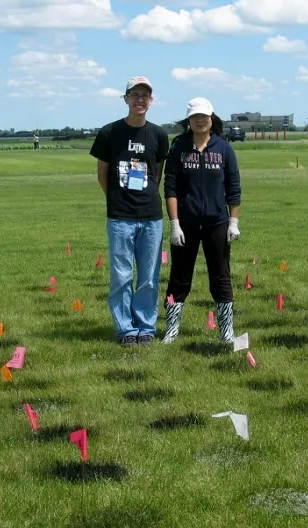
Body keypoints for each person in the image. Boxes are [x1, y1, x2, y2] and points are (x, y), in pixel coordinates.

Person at [90, 77, 169, 347]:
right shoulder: (109, 133)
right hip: (120, 217)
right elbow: (102, 173)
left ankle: (146, 327)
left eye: (145, 95)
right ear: (125, 99)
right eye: (134, 94)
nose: (140, 100)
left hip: (151, 218)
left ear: (151, 101)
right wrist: (116, 198)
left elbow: (156, 172)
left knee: (148, 277)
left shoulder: (158, 135)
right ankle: (125, 329)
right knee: (122, 276)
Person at [162, 97, 241, 344]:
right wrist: (174, 224)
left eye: (203, 116)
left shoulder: (224, 148)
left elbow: (233, 187)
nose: (199, 120)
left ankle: (226, 330)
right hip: (185, 224)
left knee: (220, 276)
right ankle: (172, 329)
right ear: (188, 120)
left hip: (217, 223)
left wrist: (233, 221)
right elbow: (170, 187)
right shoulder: (178, 148)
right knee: (179, 276)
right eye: (194, 116)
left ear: (211, 118)